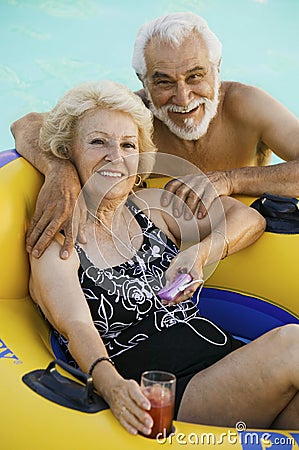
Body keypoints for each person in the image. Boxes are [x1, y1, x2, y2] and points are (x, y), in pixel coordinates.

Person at [29, 80, 299, 435]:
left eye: (128, 145)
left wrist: (199, 254)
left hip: (223, 363)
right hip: (163, 395)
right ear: (68, 152)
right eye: (98, 142)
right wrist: (112, 386)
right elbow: (76, 325)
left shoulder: (150, 212)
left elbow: (249, 218)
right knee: (292, 344)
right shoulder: (60, 240)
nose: (116, 156)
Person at [11, 12, 299, 259]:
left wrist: (230, 179)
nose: (183, 98)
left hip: (244, 240)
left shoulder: (246, 105)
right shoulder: (131, 116)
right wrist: (59, 169)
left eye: (195, 76)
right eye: (163, 82)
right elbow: (26, 124)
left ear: (217, 70)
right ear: (143, 82)